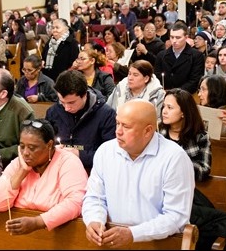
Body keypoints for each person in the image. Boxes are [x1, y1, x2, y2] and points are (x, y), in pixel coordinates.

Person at [82, 100, 194, 247]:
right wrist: (94, 219)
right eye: (117, 123)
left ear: (148, 130)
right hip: (111, 240)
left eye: (126, 126)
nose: (118, 131)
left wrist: (134, 233)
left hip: (160, 244)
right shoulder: (105, 151)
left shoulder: (174, 158)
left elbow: (176, 216)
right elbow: (94, 197)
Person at [0, 118, 88, 235]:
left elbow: (75, 202)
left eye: (32, 148)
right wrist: (21, 172)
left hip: (59, 235)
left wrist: (37, 222)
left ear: (49, 145)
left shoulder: (68, 162)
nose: (25, 152)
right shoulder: (18, 163)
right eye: (22, 146)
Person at [45, 70, 116, 173]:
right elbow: (45, 143)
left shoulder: (106, 114)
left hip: (92, 172)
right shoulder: (54, 111)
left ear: (84, 95)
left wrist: (80, 154)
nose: (66, 108)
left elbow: (110, 155)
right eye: (62, 102)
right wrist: (52, 150)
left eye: (71, 102)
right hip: (58, 169)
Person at [159, 89, 211, 182]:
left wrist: (180, 161)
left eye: (170, 107)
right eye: (164, 106)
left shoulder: (200, 136)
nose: (164, 111)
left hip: (189, 188)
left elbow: (203, 172)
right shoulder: (157, 132)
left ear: (183, 112)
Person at [154, 21, 205, 93]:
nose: (174, 41)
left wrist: (176, 93)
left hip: (185, 95)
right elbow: (157, 77)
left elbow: (195, 80)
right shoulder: (161, 55)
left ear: (186, 37)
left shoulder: (196, 56)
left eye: (178, 37)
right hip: (164, 94)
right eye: (172, 37)